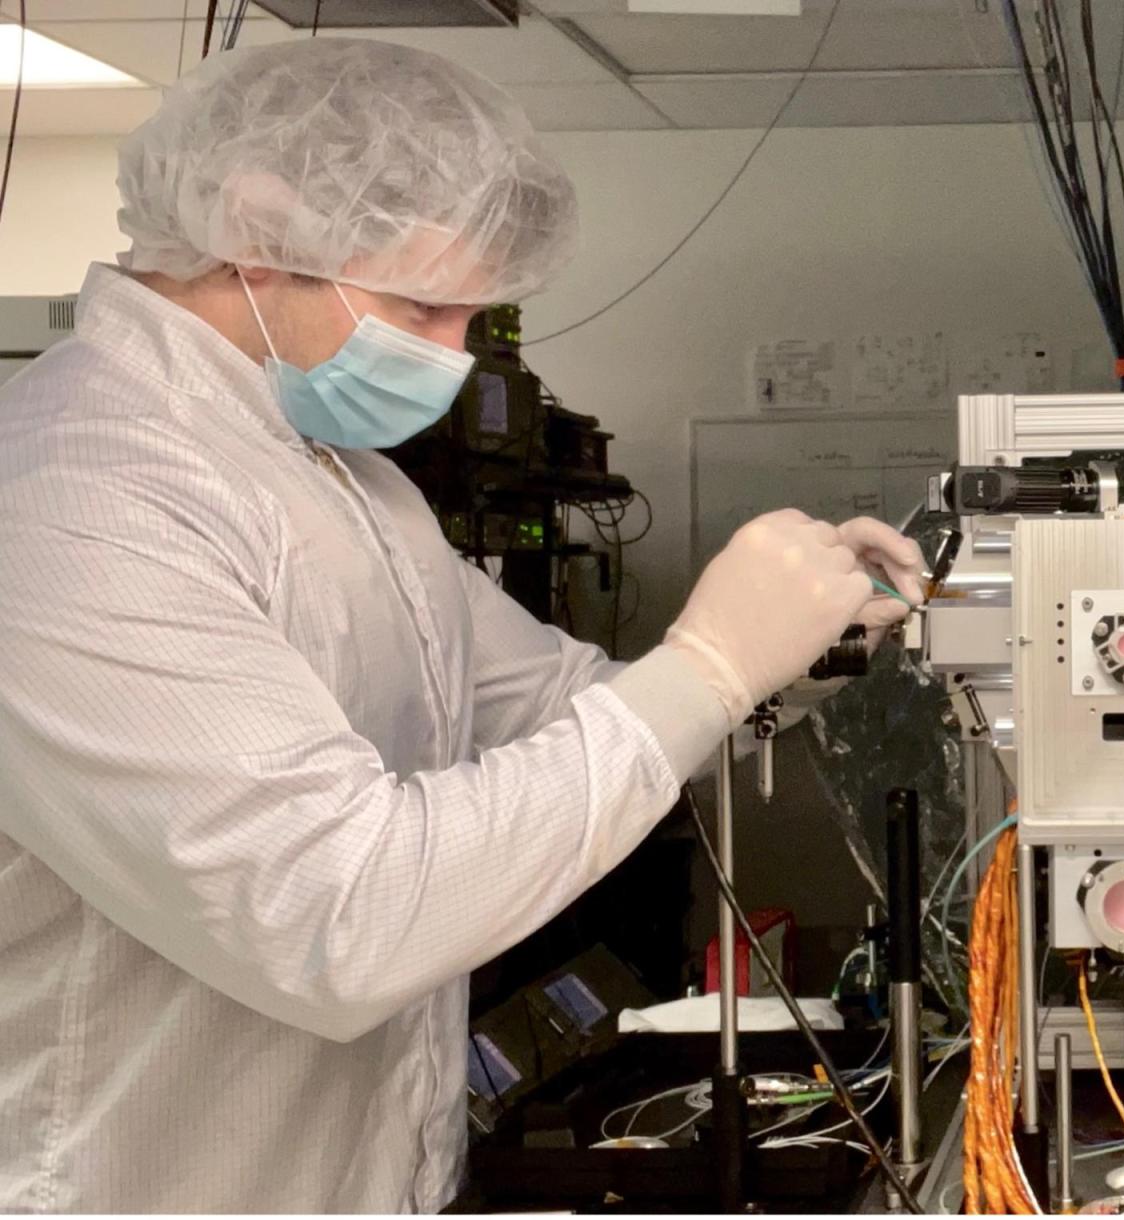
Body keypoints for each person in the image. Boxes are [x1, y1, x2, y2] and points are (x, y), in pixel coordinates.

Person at [0, 39, 924, 1213]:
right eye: (420, 306)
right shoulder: (78, 491)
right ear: (251, 229)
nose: (448, 359)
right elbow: (339, 916)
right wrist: (713, 660)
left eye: (474, 317)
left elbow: (560, 705)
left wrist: (804, 652)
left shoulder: (341, 480)